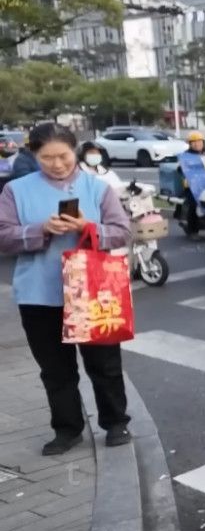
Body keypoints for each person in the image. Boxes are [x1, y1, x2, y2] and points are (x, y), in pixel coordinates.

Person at [0, 123, 133, 456]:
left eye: (63, 156)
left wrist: (88, 227)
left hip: (92, 292)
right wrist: (40, 229)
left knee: (104, 364)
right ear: (33, 154)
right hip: (39, 294)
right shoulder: (15, 190)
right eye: (47, 158)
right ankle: (67, 429)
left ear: (74, 150)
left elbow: (121, 231)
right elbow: (3, 236)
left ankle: (115, 423)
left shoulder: (97, 188)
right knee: (56, 369)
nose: (57, 164)